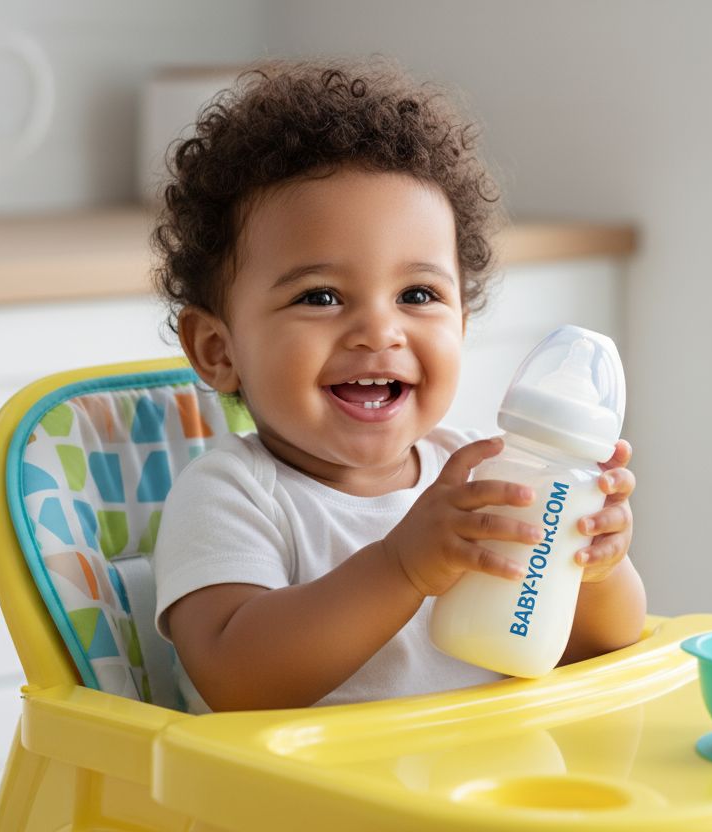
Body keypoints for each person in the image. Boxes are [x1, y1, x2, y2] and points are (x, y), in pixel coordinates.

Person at [149, 59, 646, 713]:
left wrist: (594, 569)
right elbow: (235, 678)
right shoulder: (232, 495)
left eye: (417, 294)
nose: (378, 331)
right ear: (218, 350)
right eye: (321, 295)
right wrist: (400, 568)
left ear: (462, 326)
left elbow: (595, 648)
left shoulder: (484, 479)